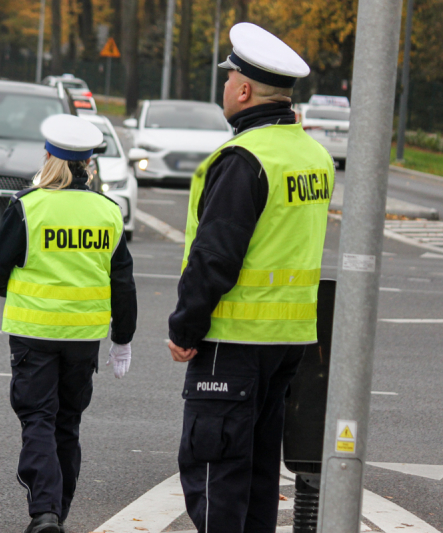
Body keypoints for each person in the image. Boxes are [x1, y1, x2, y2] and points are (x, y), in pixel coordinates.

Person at [167, 23, 335, 533]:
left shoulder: (245, 158)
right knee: (259, 478)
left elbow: (215, 257)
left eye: (228, 78)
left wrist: (185, 327)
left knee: (216, 475)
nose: (225, 86)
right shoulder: (313, 155)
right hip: (289, 340)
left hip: (233, 340)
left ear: (243, 90)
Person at [0, 114, 137, 533]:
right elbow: (122, 281)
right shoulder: (108, 212)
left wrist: (16, 289)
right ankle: (58, 511)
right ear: (88, 164)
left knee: (38, 419)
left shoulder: (28, 206)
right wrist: (122, 338)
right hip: (83, 339)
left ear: (48, 158)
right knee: (67, 423)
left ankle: (45, 513)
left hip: (33, 334)